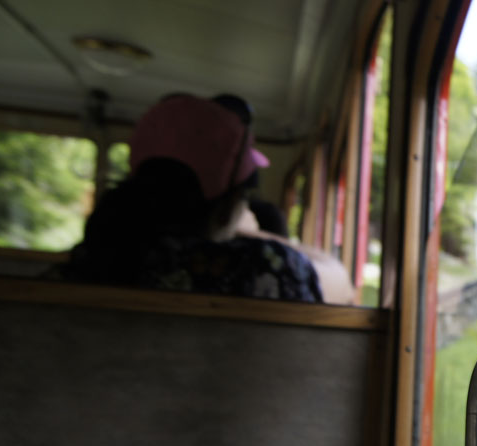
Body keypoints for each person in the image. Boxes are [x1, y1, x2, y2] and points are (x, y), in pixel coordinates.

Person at [59, 94, 346, 303]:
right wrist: (250, 233)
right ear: (228, 202)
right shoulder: (261, 267)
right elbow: (339, 282)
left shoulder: (88, 261)